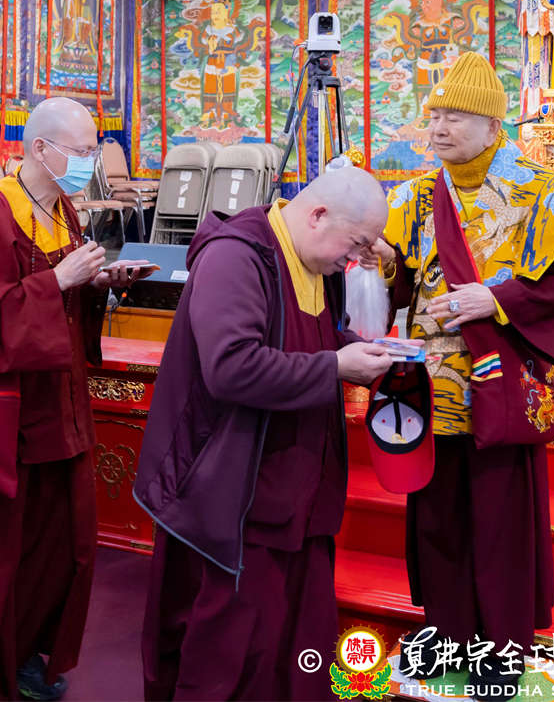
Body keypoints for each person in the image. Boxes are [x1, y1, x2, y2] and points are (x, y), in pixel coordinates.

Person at [362, 52, 554, 700]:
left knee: (500, 525)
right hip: (431, 385)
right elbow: (402, 286)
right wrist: (381, 263)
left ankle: (502, 650)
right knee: (437, 519)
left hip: (501, 386)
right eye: (434, 115)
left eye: (456, 117)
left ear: (494, 126)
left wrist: (495, 299)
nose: (439, 127)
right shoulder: (413, 196)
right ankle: (447, 634)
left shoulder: (542, 191)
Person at [136, 165, 396, 701]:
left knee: (289, 646)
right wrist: (336, 367)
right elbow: (232, 367)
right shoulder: (236, 257)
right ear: (318, 215)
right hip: (236, 495)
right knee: (232, 653)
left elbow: (309, 337)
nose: (353, 260)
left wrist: (361, 351)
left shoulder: (311, 258)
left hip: (293, 489)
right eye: (355, 244)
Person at [0, 97, 144, 701]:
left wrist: (96, 283)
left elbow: (56, 295)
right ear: (40, 148)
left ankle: (23, 655)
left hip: (58, 408)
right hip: (6, 415)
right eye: (83, 150)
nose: (91, 162)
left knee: (57, 547)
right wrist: (58, 281)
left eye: (94, 150)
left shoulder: (61, 208)